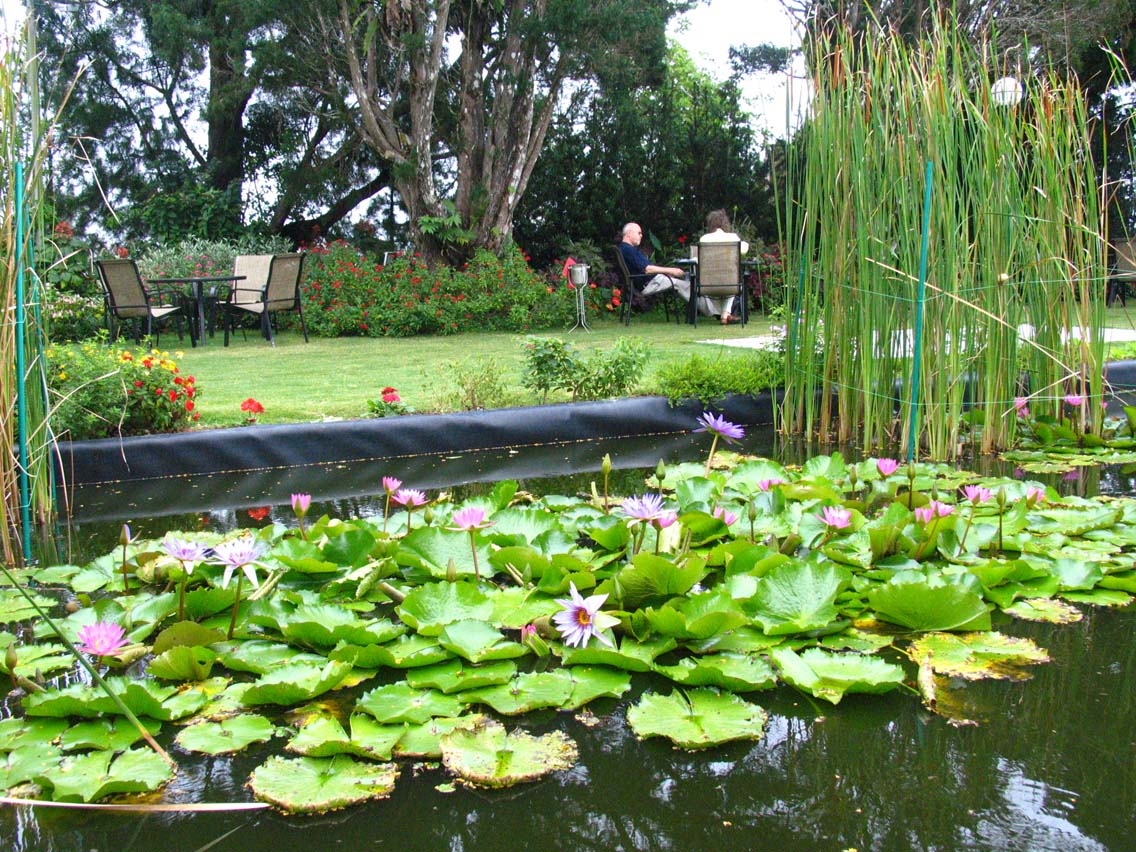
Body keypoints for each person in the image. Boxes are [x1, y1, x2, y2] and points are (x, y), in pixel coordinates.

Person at [619, 222, 691, 306]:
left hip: (649, 281)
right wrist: (671, 270)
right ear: (629, 233)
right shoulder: (628, 250)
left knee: (683, 282)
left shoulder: (624, 248)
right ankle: (709, 311)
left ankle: (703, 310)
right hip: (649, 283)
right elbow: (647, 269)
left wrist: (665, 273)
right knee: (685, 285)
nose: (641, 235)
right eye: (639, 233)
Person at [699, 209, 749, 324]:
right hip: (730, 284)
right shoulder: (733, 238)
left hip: (708, 284)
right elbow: (744, 250)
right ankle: (725, 314)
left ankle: (724, 315)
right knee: (731, 281)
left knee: (725, 282)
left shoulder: (704, 239)